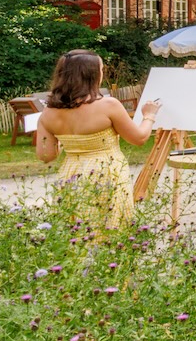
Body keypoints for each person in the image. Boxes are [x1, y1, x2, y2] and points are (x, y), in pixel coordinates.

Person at [34, 50, 162, 230]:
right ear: (92, 75)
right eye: (101, 69)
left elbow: (46, 155)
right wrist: (149, 116)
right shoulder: (108, 105)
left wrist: (70, 141)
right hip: (105, 173)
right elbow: (139, 138)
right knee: (111, 229)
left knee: (76, 232)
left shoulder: (48, 113)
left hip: (70, 175)